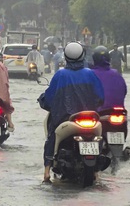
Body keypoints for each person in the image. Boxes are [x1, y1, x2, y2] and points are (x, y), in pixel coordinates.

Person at [38, 41, 104, 183]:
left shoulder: (60, 75)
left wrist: (43, 101)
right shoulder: (90, 74)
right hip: (90, 119)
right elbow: (100, 97)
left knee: (52, 137)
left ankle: (47, 171)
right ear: (82, 55)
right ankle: (97, 171)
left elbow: (49, 98)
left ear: (66, 57)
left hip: (65, 120)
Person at [91, 46, 127, 111]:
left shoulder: (90, 75)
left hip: (98, 113)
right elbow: (124, 92)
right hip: (118, 112)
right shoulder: (117, 75)